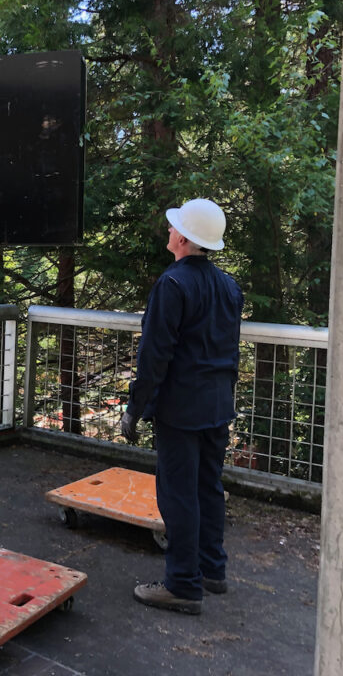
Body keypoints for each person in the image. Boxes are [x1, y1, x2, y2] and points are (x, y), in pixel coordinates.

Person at [120, 198, 243, 615]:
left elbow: (155, 356)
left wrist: (135, 407)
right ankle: (212, 570)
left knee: (178, 495)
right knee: (208, 487)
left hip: (181, 408)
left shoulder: (172, 285)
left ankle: (183, 585)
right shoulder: (229, 287)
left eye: (175, 228)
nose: (169, 232)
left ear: (184, 239)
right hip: (217, 405)